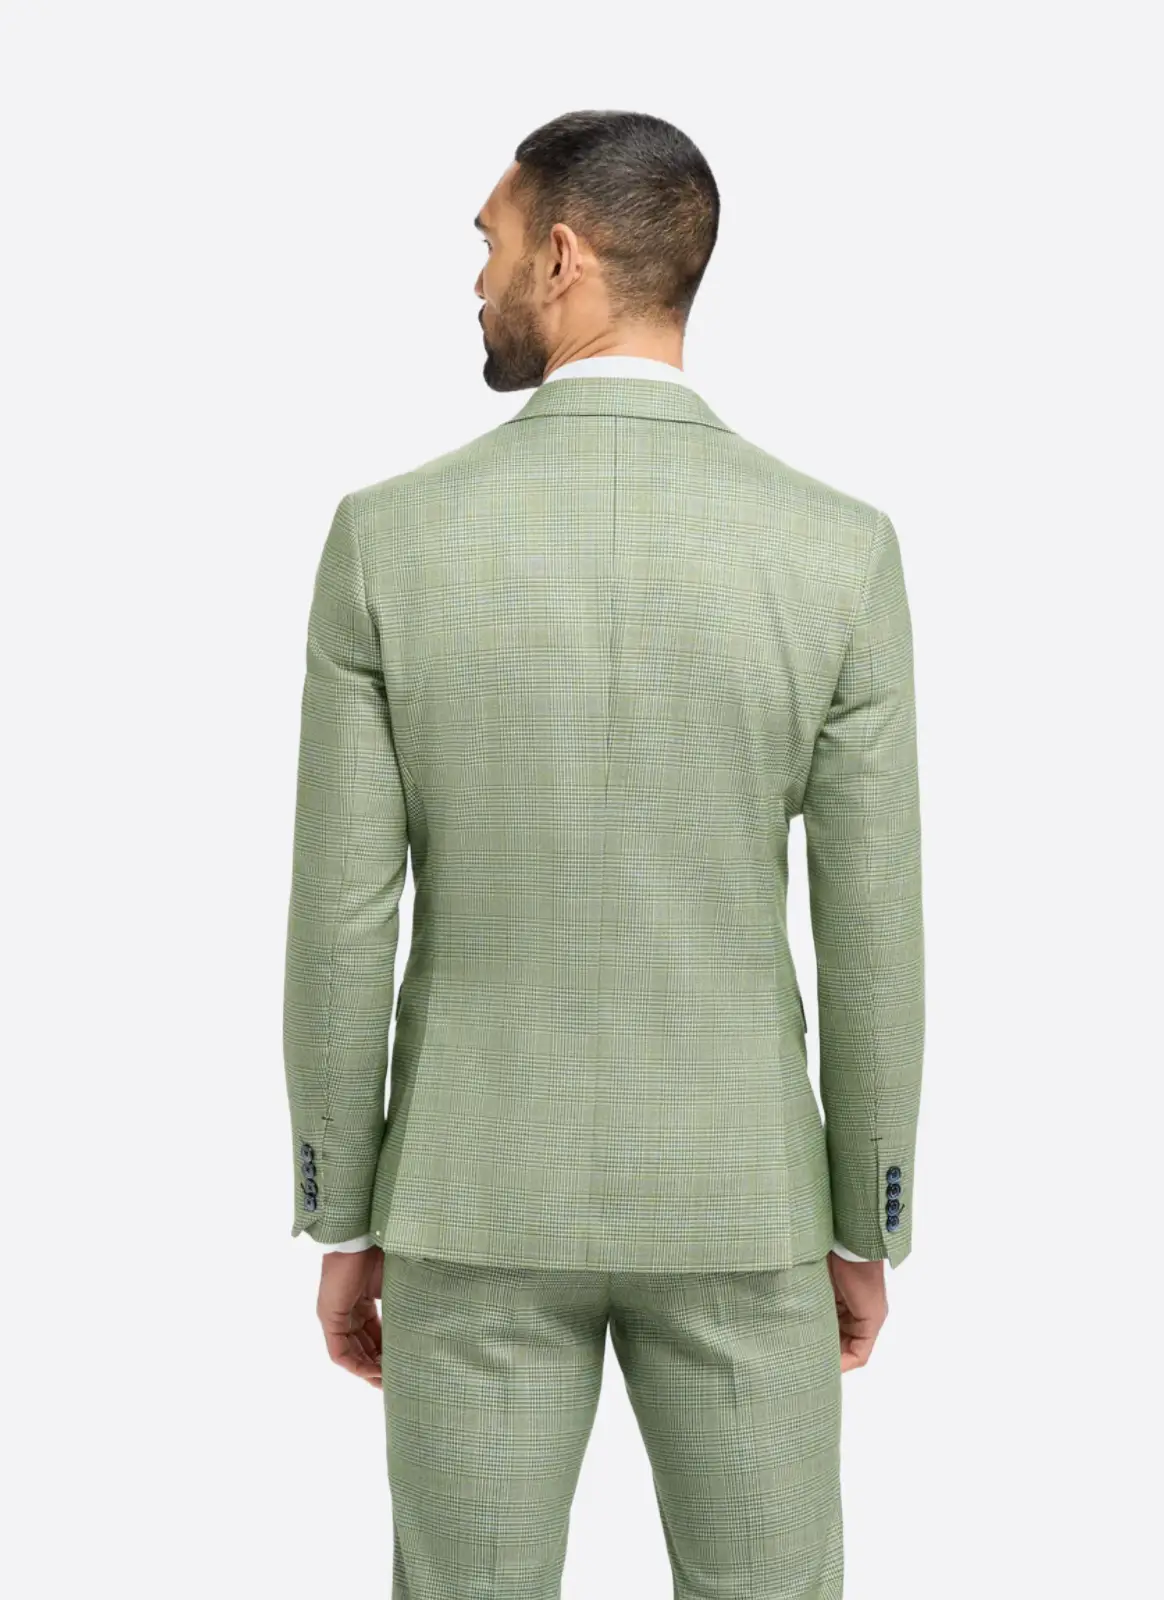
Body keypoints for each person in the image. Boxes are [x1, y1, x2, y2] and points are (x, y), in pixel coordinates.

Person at [282, 107, 924, 1600]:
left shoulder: (387, 542)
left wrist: (345, 1211)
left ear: (564, 257)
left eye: (493, 245)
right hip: (743, 1199)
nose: (479, 279)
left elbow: (341, 917)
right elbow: (874, 925)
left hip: (469, 1194)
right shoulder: (837, 550)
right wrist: (867, 1215)